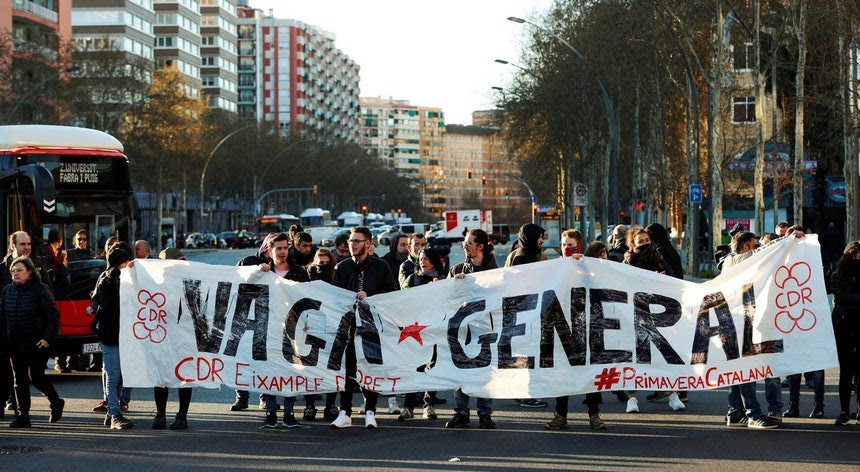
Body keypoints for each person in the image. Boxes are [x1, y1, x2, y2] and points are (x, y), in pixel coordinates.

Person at [330, 227, 397, 429]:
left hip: (372, 326)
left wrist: (371, 297)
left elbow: (391, 293)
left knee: (371, 367)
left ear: (368, 243)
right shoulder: (341, 268)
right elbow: (335, 298)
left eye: (357, 241)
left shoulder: (381, 266)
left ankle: (370, 411)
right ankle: (345, 412)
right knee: (347, 369)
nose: (353, 244)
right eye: (351, 241)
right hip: (349, 327)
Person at [545, 236, 607, 431]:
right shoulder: (554, 268)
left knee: (590, 373)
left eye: (570, 245)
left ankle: (594, 415)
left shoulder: (588, 267)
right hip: (563, 328)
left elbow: (602, 288)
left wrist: (585, 269)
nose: (565, 248)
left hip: (587, 327)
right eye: (563, 245)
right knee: (562, 374)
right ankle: (561, 415)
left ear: (578, 247)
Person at [622, 226, 683, 413]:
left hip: (659, 317)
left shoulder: (660, 261)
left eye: (647, 241)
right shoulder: (626, 264)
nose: (645, 245)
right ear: (633, 244)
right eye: (641, 242)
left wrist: (664, 279)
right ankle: (632, 399)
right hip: (634, 317)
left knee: (666, 357)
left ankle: (673, 395)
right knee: (634, 358)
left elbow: (676, 283)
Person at [0, 256, 65, 428]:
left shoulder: (40, 289)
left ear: (29, 271)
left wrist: (47, 338)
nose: (15, 274)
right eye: (13, 271)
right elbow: (2, 317)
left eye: (19, 270)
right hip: (14, 343)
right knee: (19, 379)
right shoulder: (7, 290)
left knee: (36, 377)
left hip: (37, 342)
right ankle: (23, 416)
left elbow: (53, 316)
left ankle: (56, 401)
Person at [445, 229, 499, 429]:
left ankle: (485, 414)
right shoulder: (457, 270)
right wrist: (453, 286)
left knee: (485, 372)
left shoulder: (495, 272)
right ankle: (461, 412)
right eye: (464, 243)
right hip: (462, 331)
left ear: (480, 246)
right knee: (461, 371)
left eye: (468, 243)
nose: (464, 246)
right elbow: (448, 300)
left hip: (486, 329)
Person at [258, 233, 310, 430]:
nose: (282, 252)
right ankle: (270, 413)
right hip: (268, 328)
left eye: (284, 248)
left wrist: (306, 322)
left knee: (291, 369)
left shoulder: (299, 272)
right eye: (278, 249)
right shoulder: (262, 272)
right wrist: (257, 273)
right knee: (268, 369)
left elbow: (308, 298)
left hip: (294, 328)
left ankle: (289, 413)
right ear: (269, 251)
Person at [504, 223, 550, 408]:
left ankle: (519, 391)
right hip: (525, 313)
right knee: (526, 355)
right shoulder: (525, 258)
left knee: (521, 354)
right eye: (539, 236)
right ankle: (525, 394)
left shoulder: (517, 254)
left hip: (518, 313)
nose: (542, 239)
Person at [398, 247, 445, 422]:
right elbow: (403, 300)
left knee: (432, 366)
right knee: (414, 367)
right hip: (414, 330)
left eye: (426, 258)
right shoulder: (412, 279)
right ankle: (409, 406)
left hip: (433, 329)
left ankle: (428, 405)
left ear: (434, 260)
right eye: (420, 258)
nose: (422, 261)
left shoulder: (441, 280)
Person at [643, 223, 688, 405]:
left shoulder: (660, 252)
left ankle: (667, 386)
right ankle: (680, 388)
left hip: (665, 304)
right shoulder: (670, 249)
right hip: (675, 302)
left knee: (664, 348)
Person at [90, 248, 134, 430]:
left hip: (119, 333)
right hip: (112, 334)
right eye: (125, 262)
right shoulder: (109, 279)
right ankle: (115, 414)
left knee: (120, 375)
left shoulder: (113, 277)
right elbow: (110, 306)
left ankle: (111, 413)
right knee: (114, 374)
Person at [151, 247, 193, 430]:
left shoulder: (191, 281)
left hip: (184, 334)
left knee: (184, 375)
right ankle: (160, 414)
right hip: (163, 335)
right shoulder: (157, 282)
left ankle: (182, 415)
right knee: (161, 376)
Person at [304, 248, 339, 421]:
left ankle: (330, 405)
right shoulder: (306, 278)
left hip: (331, 328)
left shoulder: (336, 278)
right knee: (310, 369)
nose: (323, 266)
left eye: (326, 263)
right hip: (310, 328)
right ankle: (309, 406)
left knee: (331, 367)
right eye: (320, 263)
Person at [831, 241, 860, 426]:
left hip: (845, 323)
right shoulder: (838, 275)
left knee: (849, 371)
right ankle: (847, 411)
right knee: (846, 372)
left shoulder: (837, 275)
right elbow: (842, 296)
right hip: (846, 324)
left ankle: (850, 411)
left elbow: (842, 297)